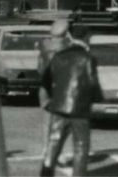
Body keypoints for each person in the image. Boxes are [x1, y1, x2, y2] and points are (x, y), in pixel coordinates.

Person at [37, 25, 99, 177]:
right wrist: (95, 100)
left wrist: (49, 102)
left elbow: (46, 81)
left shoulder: (59, 56)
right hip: (80, 110)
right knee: (80, 147)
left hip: (59, 107)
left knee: (54, 142)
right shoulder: (88, 58)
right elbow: (92, 85)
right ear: (86, 38)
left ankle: (46, 170)